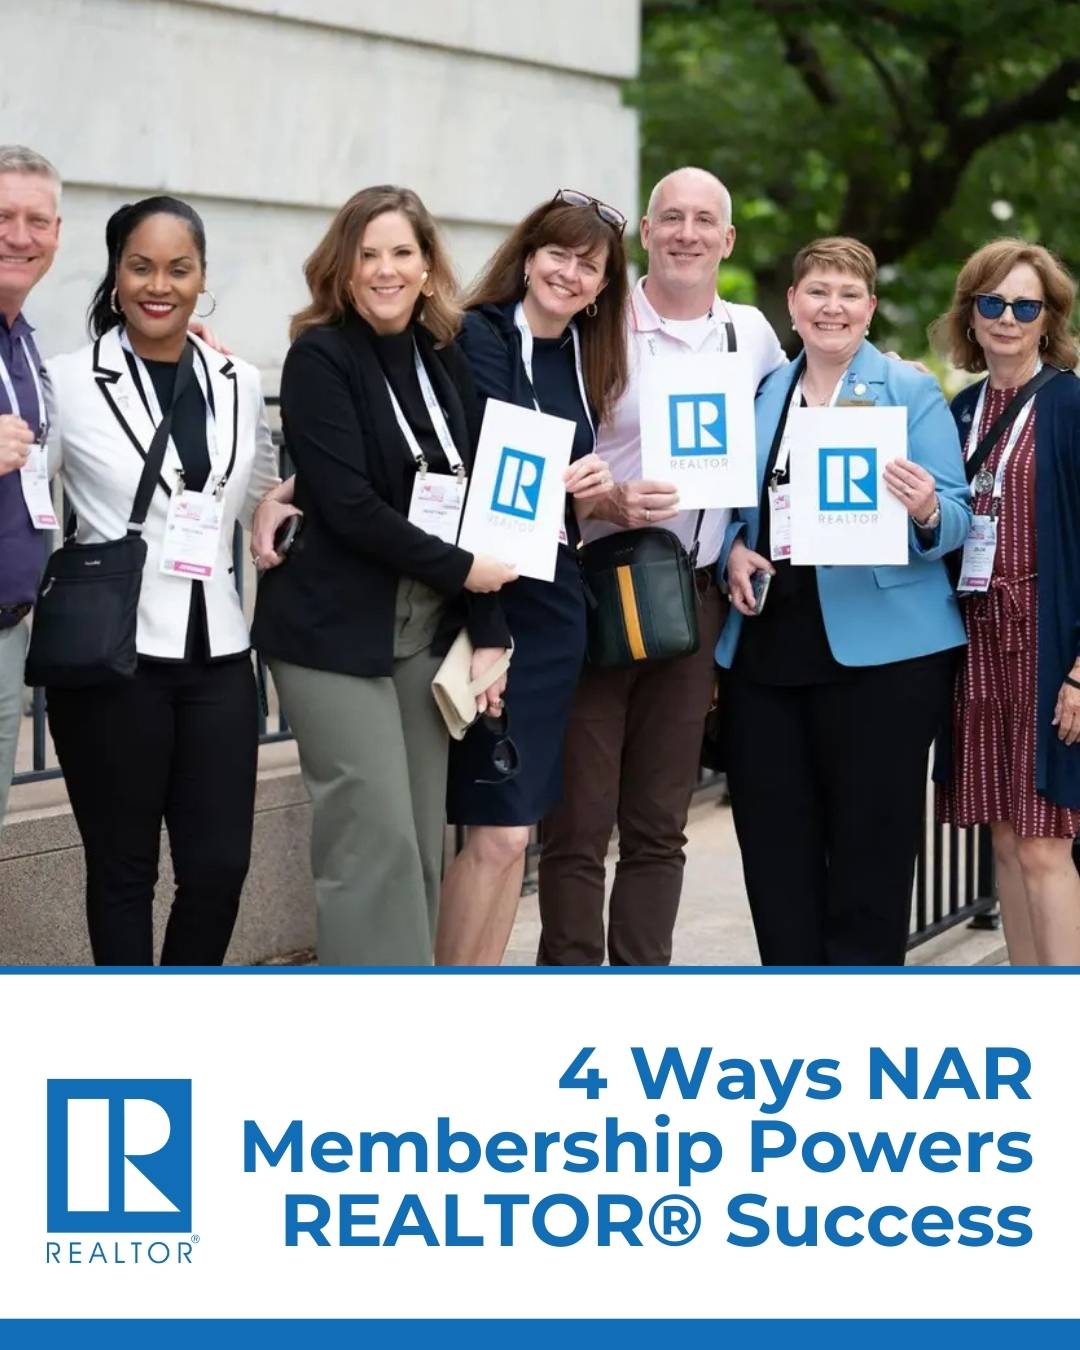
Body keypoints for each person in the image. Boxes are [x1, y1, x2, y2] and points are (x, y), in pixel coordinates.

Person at [251, 185, 516, 967]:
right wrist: (468, 572)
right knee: (375, 841)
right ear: (344, 268)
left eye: (402, 252)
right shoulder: (319, 358)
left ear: (429, 266)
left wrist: (490, 632)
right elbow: (348, 504)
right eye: (368, 255)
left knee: (421, 840)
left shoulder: (445, 358)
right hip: (330, 634)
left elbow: (474, 496)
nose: (385, 270)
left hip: (423, 631)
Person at [537, 167, 786, 966]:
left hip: (695, 596)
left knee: (658, 822)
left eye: (704, 220)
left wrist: (745, 537)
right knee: (577, 820)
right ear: (646, 232)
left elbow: (784, 454)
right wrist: (599, 501)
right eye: (670, 217)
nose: (687, 232)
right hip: (595, 587)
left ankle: (641, 985)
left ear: (728, 240)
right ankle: (570, 984)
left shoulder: (752, 337)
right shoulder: (596, 321)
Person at [717, 236, 970, 966]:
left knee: (870, 857)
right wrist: (733, 548)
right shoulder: (764, 394)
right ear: (792, 304)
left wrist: (925, 507)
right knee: (774, 855)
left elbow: (954, 515)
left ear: (870, 309)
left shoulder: (910, 390)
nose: (832, 306)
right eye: (818, 291)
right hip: (766, 653)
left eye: (848, 294)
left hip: (885, 657)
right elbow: (735, 512)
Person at [44, 196, 279, 964]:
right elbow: (26, 507)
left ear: (202, 277)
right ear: (115, 276)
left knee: (218, 867)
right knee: (123, 870)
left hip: (219, 653)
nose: (160, 285)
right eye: (141, 266)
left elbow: (259, 486)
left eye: (179, 269)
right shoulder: (67, 382)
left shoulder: (238, 378)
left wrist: (281, 508)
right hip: (113, 657)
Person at [434, 191, 629, 966]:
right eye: (559, 255)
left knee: (515, 839)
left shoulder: (586, 357)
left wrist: (603, 493)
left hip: (556, 606)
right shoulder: (475, 339)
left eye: (590, 266)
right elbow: (479, 461)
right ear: (527, 256)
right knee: (499, 827)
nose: (571, 274)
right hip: (493, 599)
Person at [934, 240, 1080, 965]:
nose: (1008, 318)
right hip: (976, 642)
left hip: (1049, 645)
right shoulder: (958, 411)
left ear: (1049, 319)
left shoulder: (1071, 405)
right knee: (1001, 834)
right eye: (993, 302)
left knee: (1045, 843)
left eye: (1027, 306)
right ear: (972, 312)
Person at [0, 146, 61, 832]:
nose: (19, 236)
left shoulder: (23, 341)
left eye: (35, 219)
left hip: (9, 633)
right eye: (2, 216)